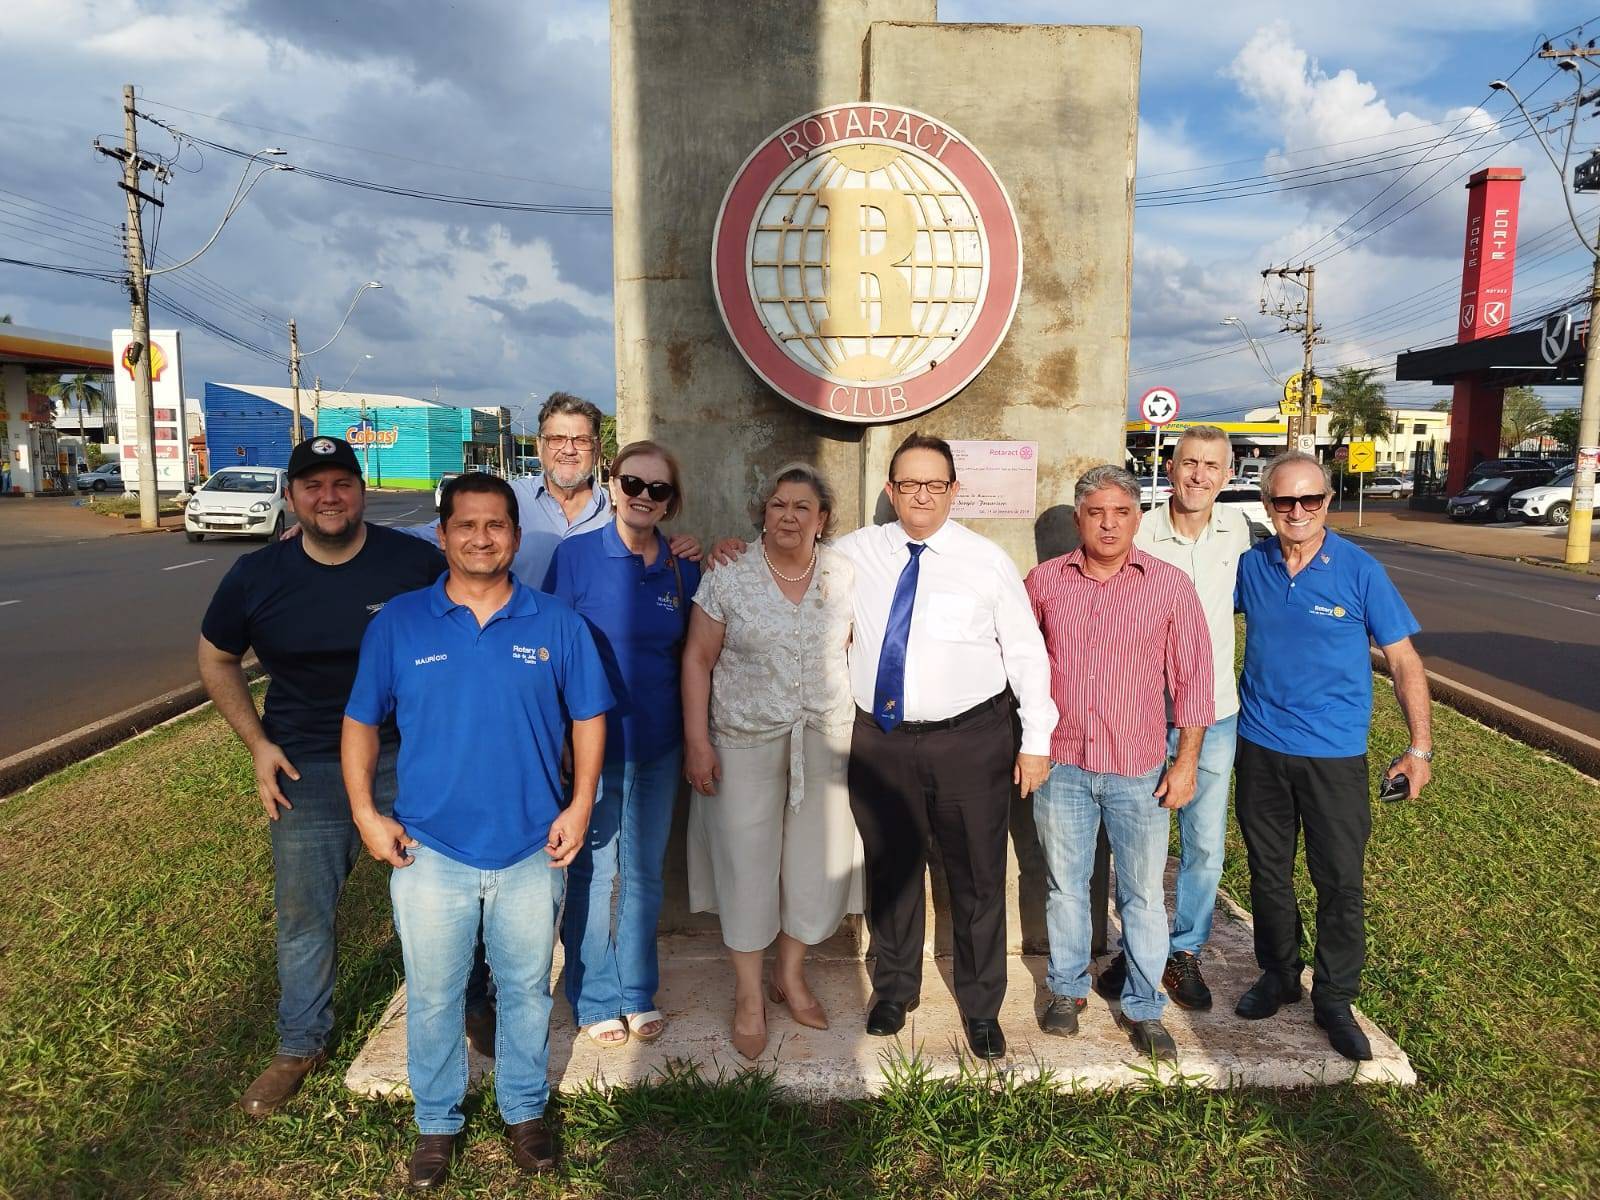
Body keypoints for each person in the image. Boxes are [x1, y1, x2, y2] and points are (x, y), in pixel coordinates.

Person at [343, 473, 613, 1187]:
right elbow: (360, 722)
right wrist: (368, 814)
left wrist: (580, 803)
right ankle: (436, 1124)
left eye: (496, 525)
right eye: (467, 525)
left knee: (526, 988)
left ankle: (524, 1110)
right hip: (431, 849)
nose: (482, 537)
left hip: (530, 845)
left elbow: (590, 717)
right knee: (433, 991)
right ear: (443, 535)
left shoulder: (556, 623)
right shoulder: (399, 623)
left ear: (515, 538)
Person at [196, 436, 446, 1117]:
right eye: (313, 485)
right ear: (291, 497)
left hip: (407, 755)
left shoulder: (414, 562)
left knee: (441, 898)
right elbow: (216, 658)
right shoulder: (256, 574)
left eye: (342, 483)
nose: (328, 496)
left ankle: (469, 1008)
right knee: (304, 915)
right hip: (307, 762)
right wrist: (256, 744)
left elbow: (462, 627)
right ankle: (300, 1044)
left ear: (361, 492)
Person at [840, 433, 1056, 1060]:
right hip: (882, 742)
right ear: (891, 490)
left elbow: (1024, 651)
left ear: (955, 491)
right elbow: (790, 558)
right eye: (910, 484)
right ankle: (894, 988)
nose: (923, 496)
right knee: (892, 869)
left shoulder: (985, 560)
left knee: (978, 877)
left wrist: (1036, 739)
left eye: (935, 484)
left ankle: (982, 1005)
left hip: (972, 741)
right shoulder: (856, 553)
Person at [1233, 450, 1433, 1062]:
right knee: (1269, 874)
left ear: (1328, 502)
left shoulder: (1360, 569)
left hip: (1335, 756)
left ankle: (1336, 998)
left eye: (1311, 500)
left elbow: (1403, 663)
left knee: (1339, 882)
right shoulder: (1252, 564)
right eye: (1284, 501)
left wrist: (1419, 749)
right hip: (1260, 746)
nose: (1298, 512)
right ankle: (1279, 974)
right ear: (1267, 506)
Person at [1025, 465, 1214, 1060]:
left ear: (1138, 517)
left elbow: (1194, 682)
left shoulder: (1168, 585)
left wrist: (1185, 764)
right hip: (1064, 767)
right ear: (1079, 518)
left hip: (1138, 770)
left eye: (1121, 512)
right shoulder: (1044, 582)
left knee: (1139, 894)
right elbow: (1022, 671)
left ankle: (1143, 1005)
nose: (1108, 523)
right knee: (1065, 887)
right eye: (1096, 512)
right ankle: (1067, 989)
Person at [680, 463, 862, 1059]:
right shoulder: (730, 574)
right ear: (763, 512)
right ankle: (749, 995)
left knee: (812, 866)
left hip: (824, 740)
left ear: (823, 519)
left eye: (802, 507)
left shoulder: (844, 574)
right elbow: (698, 660)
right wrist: (697, 742)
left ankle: (791, 973)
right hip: (742, 742)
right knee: (747, 867)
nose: (789, 515)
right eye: (779, 504)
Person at [542, 440, 700, 1048]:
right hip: (593, 747)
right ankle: (593, 994)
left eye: (657, 490)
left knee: (644, 873)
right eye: (633, 483)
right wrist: (558, 734)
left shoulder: (682, 568)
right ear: (613, 484)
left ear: (670, 503)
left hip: (658, 744)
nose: (642, 497)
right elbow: (553, 652)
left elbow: (692, 653)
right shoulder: (576, 557)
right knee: (593, 869)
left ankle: (637, 990)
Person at [1092, 425, 1251, 1011]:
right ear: (1171, 465)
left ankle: (1183, 950)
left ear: (1227, 475)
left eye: (1212, 466)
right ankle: (1139, 950)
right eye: (1189, 463)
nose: (1199, 476)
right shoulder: (1141, 533)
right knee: (1137, 845)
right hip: (1138, 714)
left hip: (1212, 716)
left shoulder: (1240, 532)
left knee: (1204, 844)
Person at [396, 392, 700, 583]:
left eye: (580, 441)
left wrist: (679, 546)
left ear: (596, 449)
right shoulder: (505, 501)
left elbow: (650, 546)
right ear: (540, 446)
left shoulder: (618, 510)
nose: (568, 450)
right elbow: (422, 539)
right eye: (557, 439)